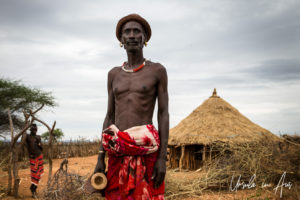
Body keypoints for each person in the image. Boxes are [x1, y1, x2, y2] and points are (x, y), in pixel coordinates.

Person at [94, 13, 169, 200]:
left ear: (145, 39)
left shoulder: (157, 71)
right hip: (117, 150)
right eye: (127, 32)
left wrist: (162, 158)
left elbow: (163, 114)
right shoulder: (113, 74)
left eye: (137, 31)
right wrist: (100, 158)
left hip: (146, 151)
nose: (132, 35)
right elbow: (109, 115)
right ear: (121, 39)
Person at [25, 123, 44, 198]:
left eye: (36, 129)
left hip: (39, 156)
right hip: (32, 158)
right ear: (30, 130)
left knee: (38, 175)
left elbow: (41, 147)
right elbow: (25, 144)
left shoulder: (38, 137)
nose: (35, 131)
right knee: (34, 174)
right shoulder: (27, 137)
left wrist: (39, 146)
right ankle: (32, 190)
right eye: (33, 129)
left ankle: (33, 189)